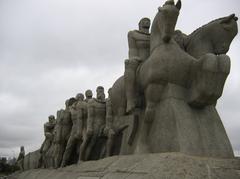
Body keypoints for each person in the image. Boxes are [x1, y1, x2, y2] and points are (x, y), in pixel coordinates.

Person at [124, 17, 151, 113]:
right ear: (139, 24)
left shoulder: (155, 35)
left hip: (153, 58)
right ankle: (130, 100)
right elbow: (132, 49)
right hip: (139, 60)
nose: (147, 21)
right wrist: (134, 57)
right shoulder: (133, 34)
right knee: (129, 63)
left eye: (148, 20)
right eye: (144, 20)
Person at [78, 86, 106, 162]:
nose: (101, 93)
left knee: (93, 143)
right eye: (99, 92)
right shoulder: (92, 102)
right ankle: (80, 159)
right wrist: (89, 128)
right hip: (93, 125)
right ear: (96, 93)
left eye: (102, 91)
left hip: (102, 125)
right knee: (87, 141)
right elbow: (90, 116)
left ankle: (88, 159)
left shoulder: (106, 102)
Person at [61, 94, 85, 167]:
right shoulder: (71, 108)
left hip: (83, 127)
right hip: (74, 129)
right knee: (69, 147)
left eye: (81, 97)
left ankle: (81, 161)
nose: (80, 99)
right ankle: (63, 164)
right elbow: (66, 121)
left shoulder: (85, 105)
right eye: (79, 98)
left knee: (81, 145)